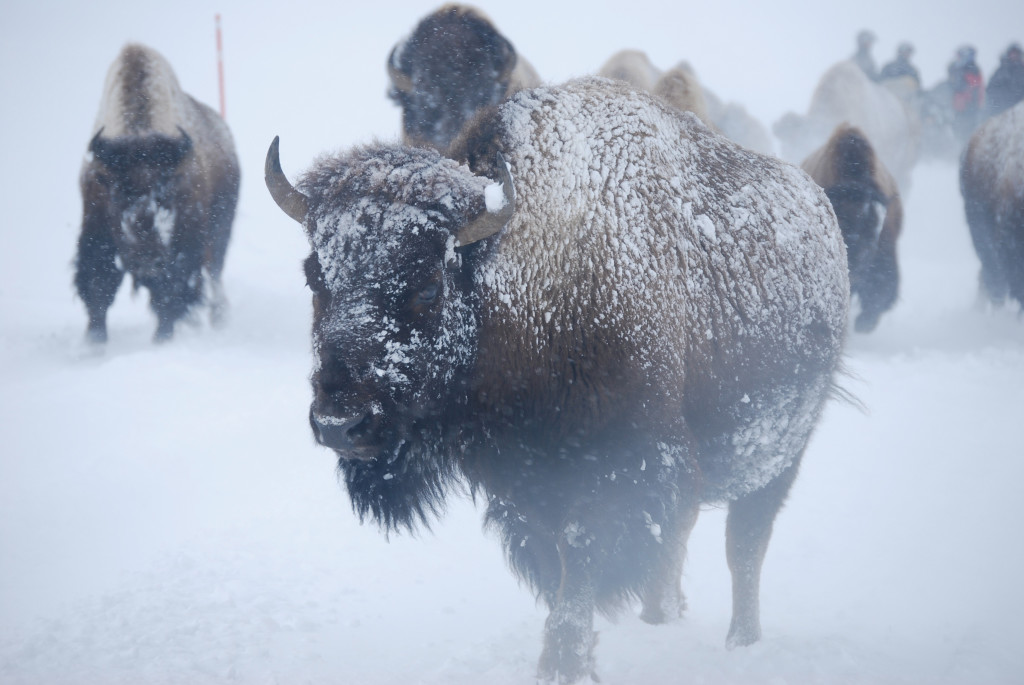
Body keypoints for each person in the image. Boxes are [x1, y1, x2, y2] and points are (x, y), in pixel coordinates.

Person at [948, 45, 985, 142]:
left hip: (968, 106)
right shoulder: (960, 69)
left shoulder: (971, 70)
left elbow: (971, 87)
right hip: (961, 106)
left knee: (966, 131)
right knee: (960, 129)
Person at [986, 42, 1024, 118]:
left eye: (1016, 54)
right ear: (1008, 54)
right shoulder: (1001, 70)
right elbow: (991, 88)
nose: (1014, 56)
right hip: (1002, 108)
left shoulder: (1022, 70)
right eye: (1012, 53)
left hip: (1019, 108)